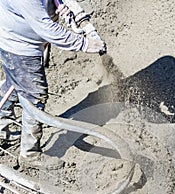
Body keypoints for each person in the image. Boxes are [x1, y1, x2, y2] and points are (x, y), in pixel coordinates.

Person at [0, 0, 106, 169]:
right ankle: (30, 154)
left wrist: (73, 13)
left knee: (15, 82)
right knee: (35, 94)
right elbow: (47, 28)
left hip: (16, 36)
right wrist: (84, 43)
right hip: (19, 48)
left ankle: (1, 125)